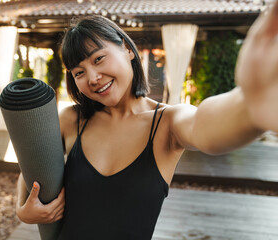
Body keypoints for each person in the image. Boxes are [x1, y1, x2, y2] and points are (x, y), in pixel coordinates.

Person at [16, 1, 278, 239]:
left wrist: (250, 104)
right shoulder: (72, 120)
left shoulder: (167, 122)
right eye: (79, 72)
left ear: (127, 49)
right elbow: (32, 165)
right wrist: (22, 209)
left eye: (99, 59)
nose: (93, 77)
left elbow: (205, 127)